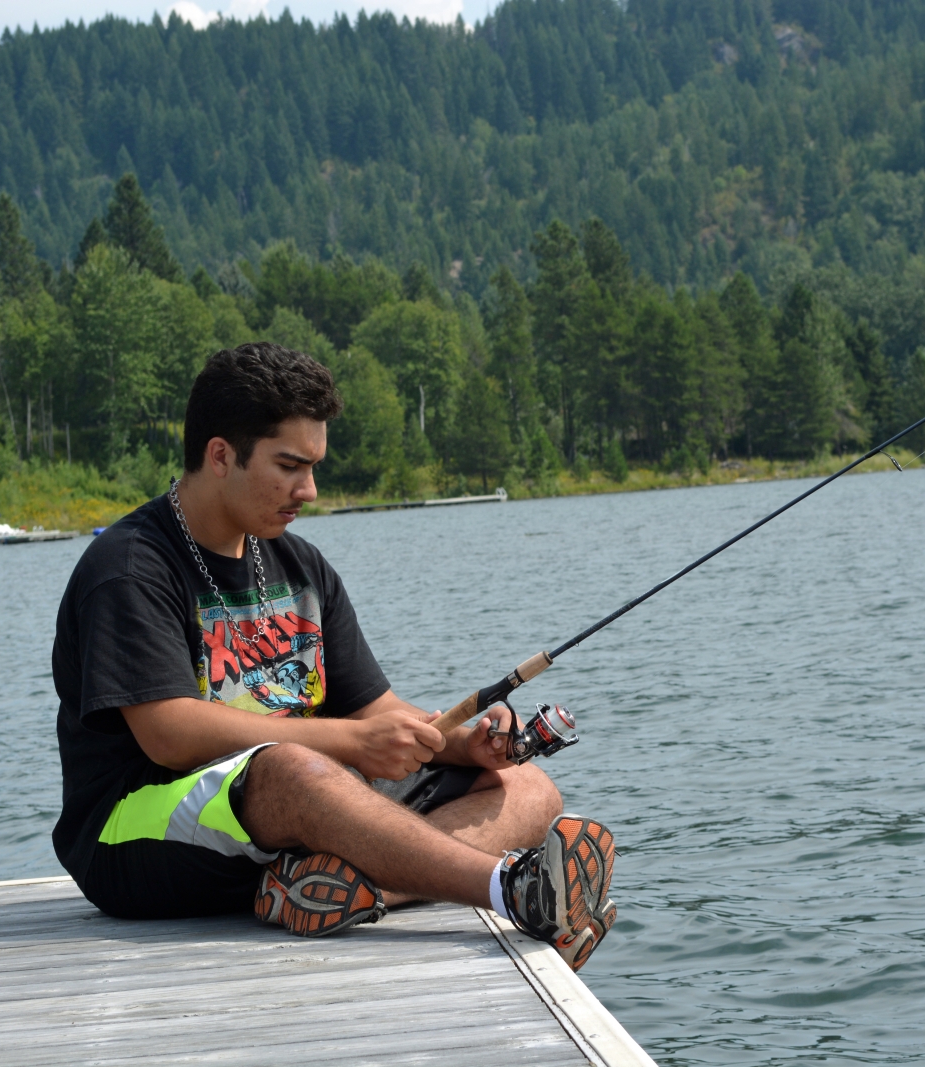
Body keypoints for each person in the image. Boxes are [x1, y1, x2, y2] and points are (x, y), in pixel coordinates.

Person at [50, 341, 617, 970]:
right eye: (290, 466)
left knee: (527, 788)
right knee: (294, 765)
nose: (310, 490)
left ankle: (346, 890)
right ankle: (516, 891)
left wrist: (462, 741)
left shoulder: (300, 565)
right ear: (220, 456)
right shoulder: (131, 567)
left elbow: (376, 711)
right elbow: (168, 734)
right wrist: (351, 744)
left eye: (314, 467)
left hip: (296, 807)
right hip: (134, 832)